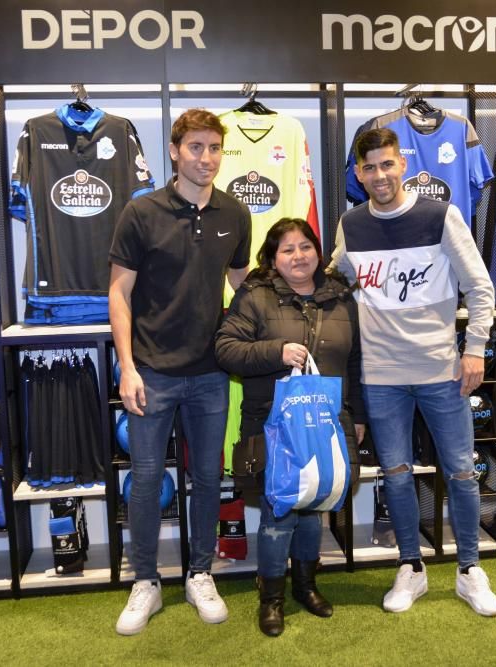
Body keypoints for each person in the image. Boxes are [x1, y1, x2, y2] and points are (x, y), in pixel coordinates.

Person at [330, 127, 496, 617]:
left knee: (462, 473)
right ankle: (412, 568)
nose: (380, 175)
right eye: (369, 168)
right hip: (381, 376)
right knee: (397, 475)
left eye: (387, 164)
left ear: (402, 164)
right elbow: (336, 279)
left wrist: (475, 350)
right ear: (358, 174)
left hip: (442, 370)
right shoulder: (352, 225)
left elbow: (480, 288)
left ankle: (469, 570)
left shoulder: (440, 216)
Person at [108, 108, 252, 636]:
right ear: (174, 151)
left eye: (214, 148)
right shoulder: (141, 212)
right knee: (146, 479)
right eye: (196, 147)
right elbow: (118, 292)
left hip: (212, 373)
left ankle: (199, 573)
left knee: (209, 477)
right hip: (151, 372)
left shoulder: (235, 213)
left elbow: (242, 281)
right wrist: (127, 367)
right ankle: (145, 580)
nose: (206, 158)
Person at [215, 218, 366, 637]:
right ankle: (271, 598)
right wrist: (276, 352)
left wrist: (359, 417)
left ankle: (305, 585)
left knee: (313, 509)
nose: (298, 256)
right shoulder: (254, 295)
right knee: (279, 513)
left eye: (305, 247)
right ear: (272, 257)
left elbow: (355, 362)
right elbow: (226, 349)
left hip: (328, 423)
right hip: (271, 424)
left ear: (317, 251)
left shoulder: (340, 297)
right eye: (287, 250)